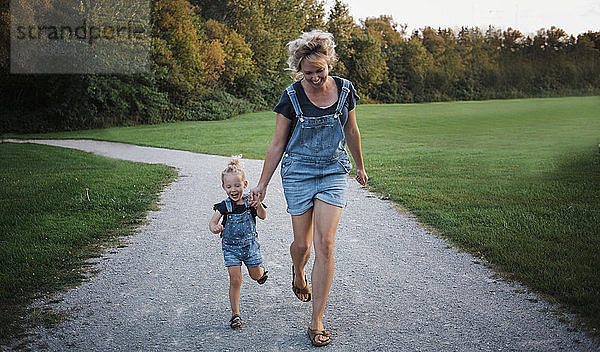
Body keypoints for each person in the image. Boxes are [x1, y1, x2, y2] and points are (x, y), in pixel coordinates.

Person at [249, 29, 368, 347]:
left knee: (325, 244)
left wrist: (359, 165)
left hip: (332, 171)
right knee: (301, 246)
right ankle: (297, 270)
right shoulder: (290, 96)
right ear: (298, 70)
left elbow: (352, 130)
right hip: (298, 173)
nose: (314, 78)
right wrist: (261, 185)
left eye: (320, 70)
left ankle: (317, 321)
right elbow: (277, 144)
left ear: (329, 62)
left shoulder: (345, 90)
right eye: (308, 72)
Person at [209, 158, 268, 330]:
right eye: (229, 187)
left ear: (244, 184)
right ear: (224, 187)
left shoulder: (250, 201)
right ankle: (235, 314)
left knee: (255, 275)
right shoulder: (224, 206)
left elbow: (263, 216)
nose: (233, 190)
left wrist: (258, 205)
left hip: (250, 247)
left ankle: (261, 273)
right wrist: (214, 227)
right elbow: (213, 221)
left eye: (237, 185)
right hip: (231, 248)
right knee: (235, 280)